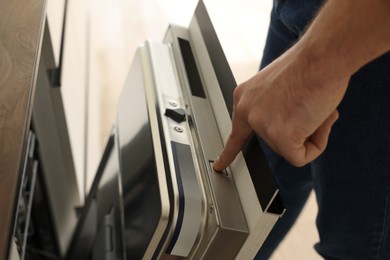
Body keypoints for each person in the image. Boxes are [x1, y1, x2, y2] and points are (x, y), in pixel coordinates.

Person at [213, 0, 390, 259]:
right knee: (255, 189)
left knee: (359, 247)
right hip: (308, 13)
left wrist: (316, 63)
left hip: (368, 39)